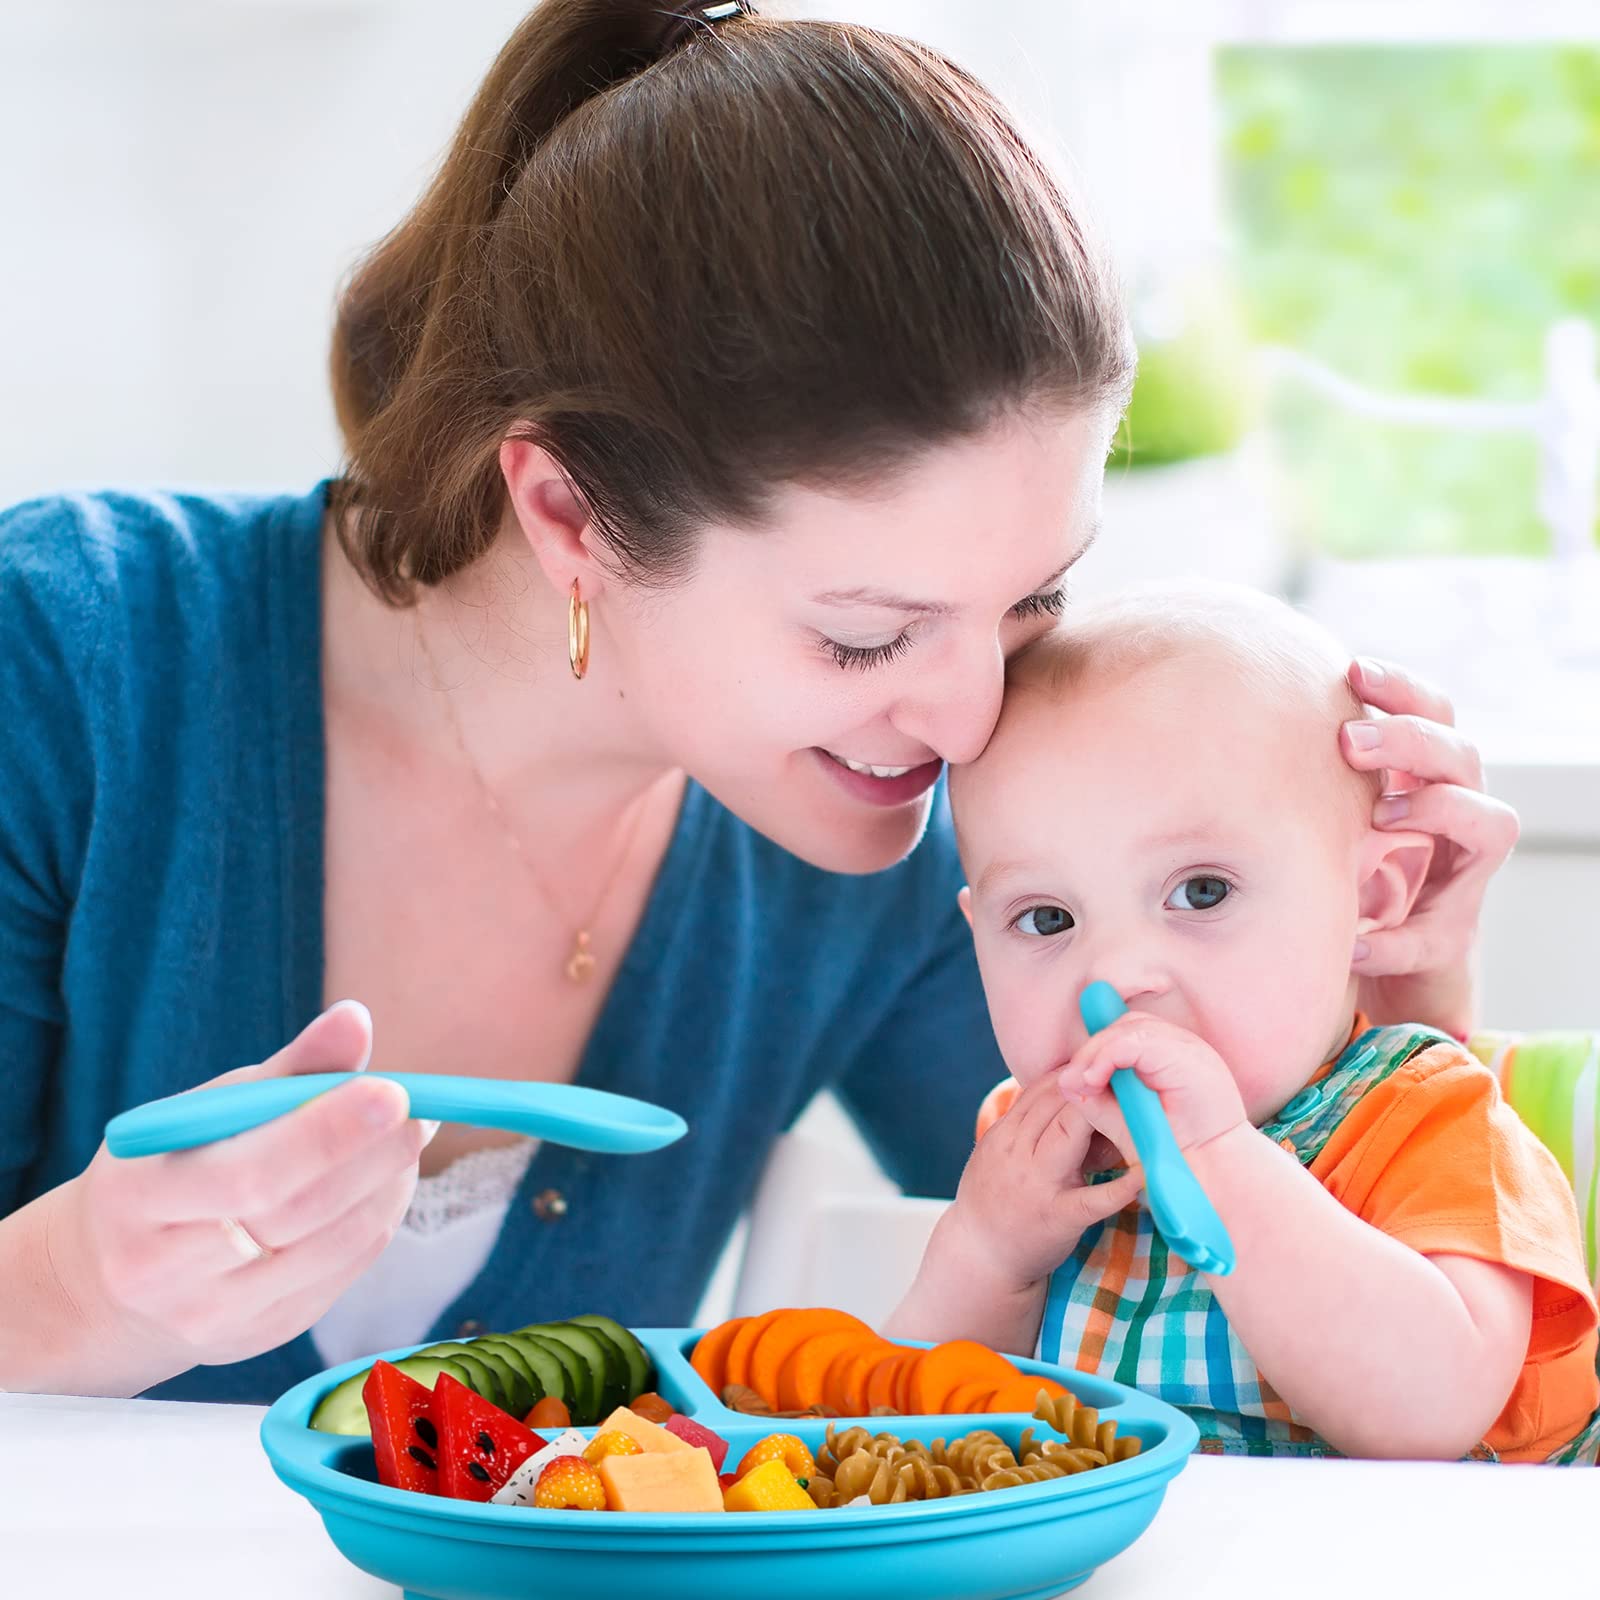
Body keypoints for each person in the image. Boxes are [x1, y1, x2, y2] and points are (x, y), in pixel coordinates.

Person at [0, 0, 1513, 1404]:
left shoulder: (929, 856)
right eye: (868, 633)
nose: (974, 719)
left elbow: (1232, 1300)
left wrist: (1384, 1006)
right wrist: (69, 1291)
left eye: (1033, 603)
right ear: (569, 515)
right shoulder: (67, 662)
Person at [887, 583, 1598, 1462]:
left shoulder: (1429, 1114)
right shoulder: (1036, 1146)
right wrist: (988, 1257)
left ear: (1372, 897)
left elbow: (1429, 1414)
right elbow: (917, 1432)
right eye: (1045, 919)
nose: (1113, 976)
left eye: (1201, 892)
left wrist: (1221, 1160)